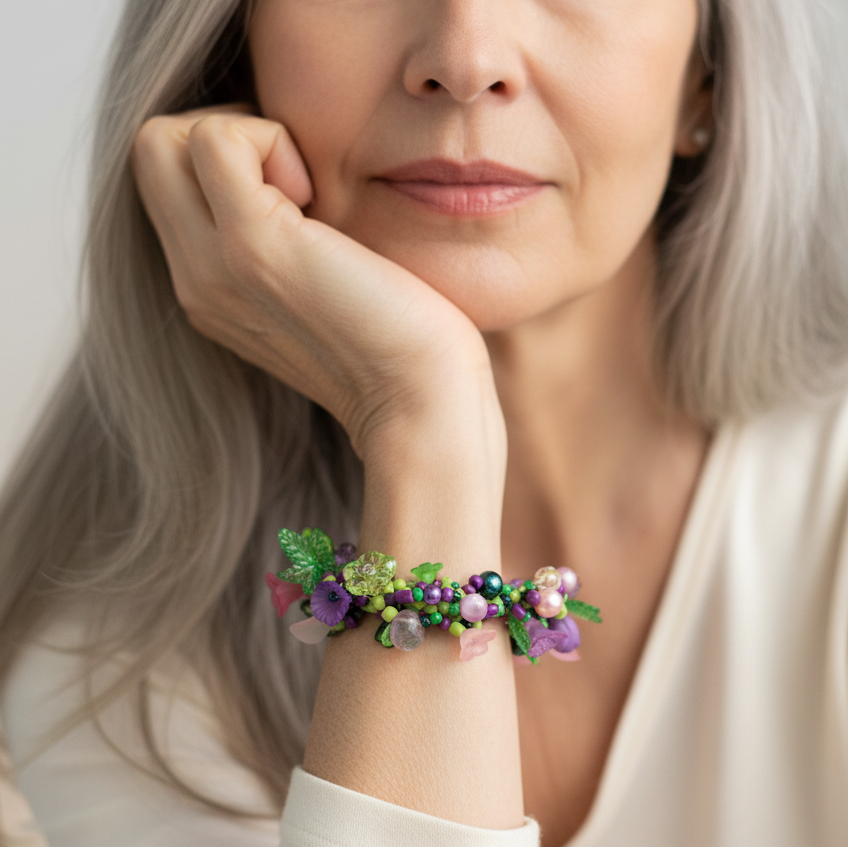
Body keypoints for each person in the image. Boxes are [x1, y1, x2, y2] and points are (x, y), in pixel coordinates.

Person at [2, 0, 848, 845]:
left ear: (708, 80)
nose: (466, 58)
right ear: (234, 55)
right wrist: (420, 421)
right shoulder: (113, 675)